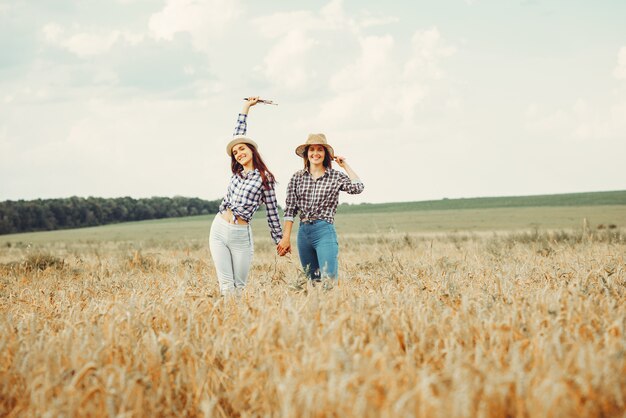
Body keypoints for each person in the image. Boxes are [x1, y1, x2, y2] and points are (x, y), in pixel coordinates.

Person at [209, 97, 283, 295]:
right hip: (219, 228)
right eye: (235, 152)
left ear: (251, 149)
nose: (239, 153)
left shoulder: (264, 177)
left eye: (242, 148)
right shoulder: (237, 172)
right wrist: (245, 107)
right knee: (225, 285)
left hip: (240, 235)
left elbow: (272, 212)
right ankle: (227, 324)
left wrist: (280, 240)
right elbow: (237, 135)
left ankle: (238, 322)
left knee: (238, 287)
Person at [277, 133, 364, 281]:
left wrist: (345, 166)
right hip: (303, 232)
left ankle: (332, 304)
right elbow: (290, 209)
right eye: (312, 149)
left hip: (324, 230)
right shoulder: (297, 177)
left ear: (325, 154)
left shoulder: (335, 176)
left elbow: (358, 187)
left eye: (320, 150)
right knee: (313, 280)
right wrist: (285, 238)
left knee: (328, 279)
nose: (315, 153)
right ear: (307, 154)